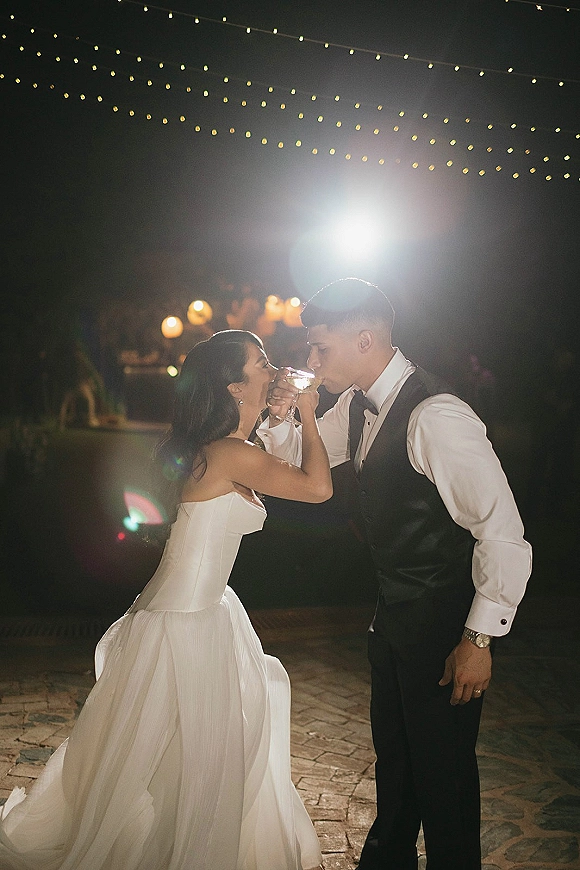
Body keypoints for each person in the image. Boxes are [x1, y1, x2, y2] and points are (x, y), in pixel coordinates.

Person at [0, 330, 331, 870]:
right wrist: (311, 415)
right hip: (186, 621)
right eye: (261, 363)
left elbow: (276, 464)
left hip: (197, 609)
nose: (273, 369)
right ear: (233, 386)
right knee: (190, 755)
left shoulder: (228, 452)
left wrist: (278, 416)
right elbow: (317, 488)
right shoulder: (226, 455)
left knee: (179, 755)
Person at [258, 279, 532, 870]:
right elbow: (295, 462)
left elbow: (502, 532)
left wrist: (479, 638)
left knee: (445, 781)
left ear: (365, 339)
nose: (311, 361)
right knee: (398, 768)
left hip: (444, 628)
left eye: (321, 349)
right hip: (392, 622)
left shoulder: (436, 416)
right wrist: (281, 412)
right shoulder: (356, 404)